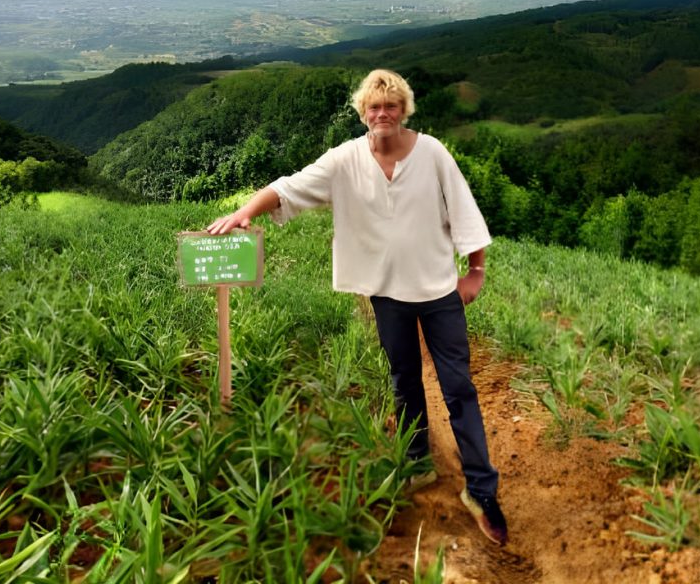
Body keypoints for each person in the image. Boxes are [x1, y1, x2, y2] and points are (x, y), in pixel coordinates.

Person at [206, 68, 508, 546]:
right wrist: (245, 211)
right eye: (374, 107)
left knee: (458, 388)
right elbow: (290, 187)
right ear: (363, 113)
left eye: (390, 106)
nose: (382, 114)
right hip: (386, 294)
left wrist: (475, 272)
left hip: (437, 293)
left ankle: (481, 489)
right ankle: (415, 464)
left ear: (403, 110)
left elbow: (465, 211)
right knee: (404, 381)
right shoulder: (345, 159)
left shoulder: (432, 154)